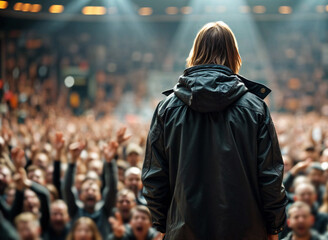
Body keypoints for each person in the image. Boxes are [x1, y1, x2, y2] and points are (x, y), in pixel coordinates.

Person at [142, 21, 288, 240]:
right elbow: (270, 176)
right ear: (234, 55)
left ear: (195, 53)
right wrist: (273, 227)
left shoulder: (167, 108)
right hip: (246, 230)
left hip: (184, 230)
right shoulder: (255, 108)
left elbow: (154, 176)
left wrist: (164, 224)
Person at [63, 141, 118, 239]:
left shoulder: (105, 211)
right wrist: (72, 161)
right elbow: (67, 189)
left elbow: (112, 189)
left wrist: (110, 163)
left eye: (94, 190)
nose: (90, 192)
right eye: (87, 190)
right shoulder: (75, 210)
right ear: (80, 196)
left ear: (100, 196)